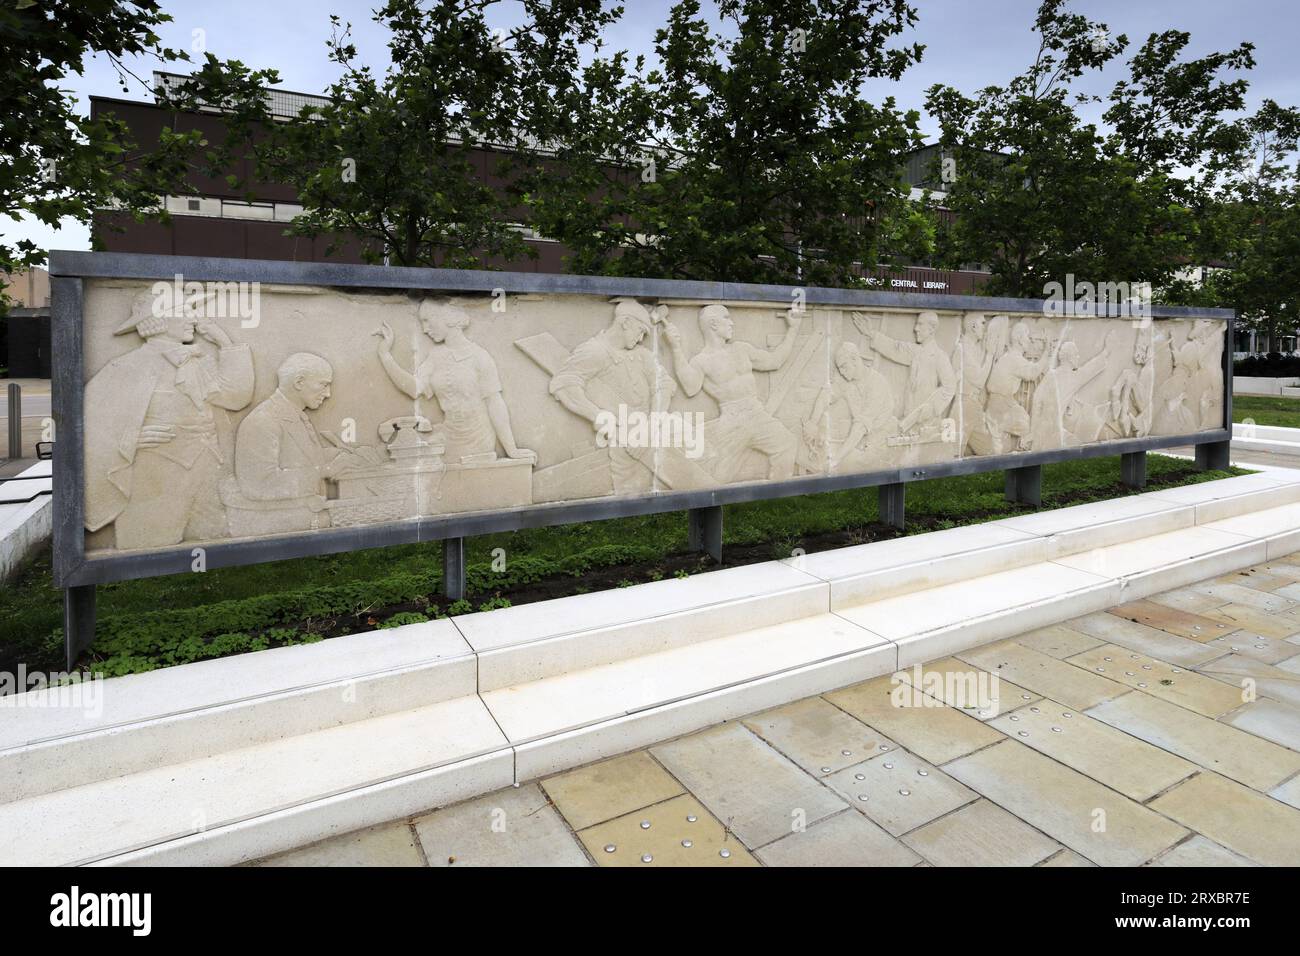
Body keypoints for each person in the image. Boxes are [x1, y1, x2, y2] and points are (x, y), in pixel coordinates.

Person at [84, 289, 254, 549]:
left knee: (214, 543)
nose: (193, 320)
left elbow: (235, 398)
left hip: (208, 470)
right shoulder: (125, 367)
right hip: (154, 480)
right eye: (183, 313)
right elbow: (90, 426)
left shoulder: (197, 363)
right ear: (158, 320)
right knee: (148, 548)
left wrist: (225, 343)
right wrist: (131, 439)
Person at [374, 298, 535, 464]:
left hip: (476, 438)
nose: (424, 329)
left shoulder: (479, 356)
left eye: (428, 321)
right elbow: (414, 388)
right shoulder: (435, 356)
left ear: (447, 318)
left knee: (421, 460)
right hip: (447, 433)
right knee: (395, 452)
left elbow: (495, 404)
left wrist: (511, 449)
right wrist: (385, 354)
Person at [549, 297, 678, 493]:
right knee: (632, 494)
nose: (642, 338)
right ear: (626, 323)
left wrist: (651, 427)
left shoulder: (642, 354)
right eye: (641, 331)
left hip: (652, 434)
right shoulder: (594, 351)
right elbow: (565, 385)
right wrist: (597, 415)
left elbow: (664, 385)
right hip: (624, 445)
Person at [660, 304, 800, 482]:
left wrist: (793, 329)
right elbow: (690, 387)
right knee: (718, 477)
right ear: (713, 324)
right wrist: (675, 347)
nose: (732, 323)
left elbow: (774, 361)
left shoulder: (741, 349)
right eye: (726, 318)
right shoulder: (701, 361)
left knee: (787, 443)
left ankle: (780, 490)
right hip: (732, 422)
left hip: (757, 415)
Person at [865, 311, 956, 435]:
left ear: (932, 328)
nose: (915, 329)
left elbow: (950, 387)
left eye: (920, 324)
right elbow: (895, 348)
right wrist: (871, 334)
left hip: (927, 424)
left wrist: (932, 408)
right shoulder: (915, 351)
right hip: (908, 421)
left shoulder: (940, 357)